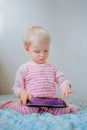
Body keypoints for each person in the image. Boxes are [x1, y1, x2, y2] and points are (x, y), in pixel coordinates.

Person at [0, 26, 79, 115]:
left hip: (50, 103)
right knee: (26, 110)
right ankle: (9, 105)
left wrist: (66, 88)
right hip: (32, 102)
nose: (42, 55)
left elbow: (63, 79)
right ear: (27, 49)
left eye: (46, 50)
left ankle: (68, 106)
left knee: (63, 110)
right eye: (37, 51)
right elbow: (17, 86)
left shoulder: (52, 68)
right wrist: (22, 93)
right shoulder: (24, 68)